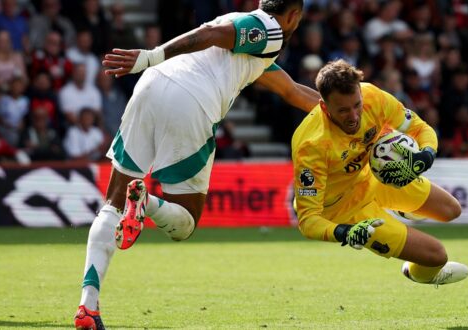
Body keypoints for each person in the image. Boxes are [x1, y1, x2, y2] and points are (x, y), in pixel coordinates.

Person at [73, 1, 318, 329]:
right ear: (294, 16)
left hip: (151, 86)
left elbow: (293, 91)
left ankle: (88, 305)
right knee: (185, 222)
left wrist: (358, 114)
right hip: (190, 98)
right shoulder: (270, 29)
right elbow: (211, 33)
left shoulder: (255, 47)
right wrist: (151, 54)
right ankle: (147, 202)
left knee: (112, 205)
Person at [291, 60, 468, 290]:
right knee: (436, 257)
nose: (354, 116)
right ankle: (418, 274)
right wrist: (344, 232)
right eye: (343, 110)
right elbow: (307, 221)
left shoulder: (373, 96)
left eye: (357, 105)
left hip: (374, 178)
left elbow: (420, 128)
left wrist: (426, 154)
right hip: (345, 210)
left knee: (451, 210)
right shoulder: (311, 144)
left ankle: (401, 207)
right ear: (324, 107)